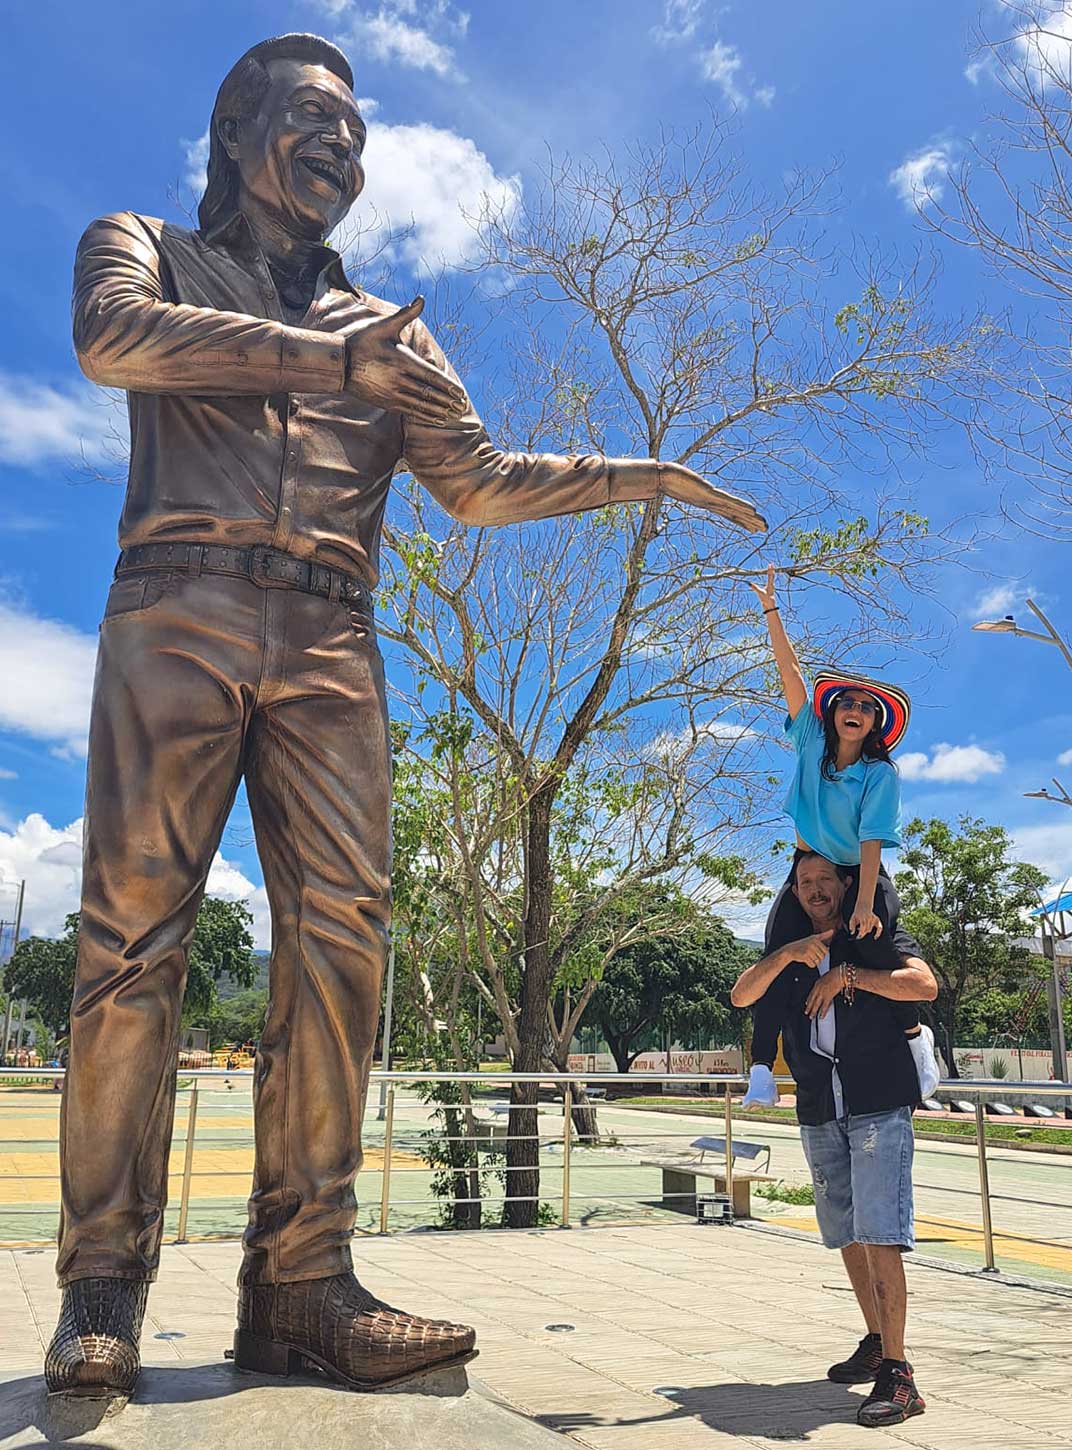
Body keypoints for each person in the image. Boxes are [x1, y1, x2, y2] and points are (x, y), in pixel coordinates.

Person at [47, 32, 767, 1402]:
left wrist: (641, 475)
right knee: (131, 943)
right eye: (314, 118)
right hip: (176, 607)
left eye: (359, 135)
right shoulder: (145, 247)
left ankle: (302, 1284)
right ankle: (101, 1285)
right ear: (235, 128)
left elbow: (478, 480)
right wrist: (331, 361)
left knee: (344, 944)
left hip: (333, 633)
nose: (344, 147)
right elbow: (109, 339)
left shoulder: (398, 335)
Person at [731, 852, 938, 1428]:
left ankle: (899, 1374)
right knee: (846, 1233)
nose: (815, 889)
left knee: (881, 1234)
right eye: (805, 882)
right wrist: (787, 955)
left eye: (825, 879)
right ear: (794, 892)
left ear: (848, 883)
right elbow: (742, 996)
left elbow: (924, 983)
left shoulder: (874, 936)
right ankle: (876, 1339)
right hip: (821, 1108)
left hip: (877, 1103)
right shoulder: (792, 950)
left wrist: (847, 976)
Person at [742, 565, 934, 1108]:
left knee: (877, 947)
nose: (855, 711)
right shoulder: (809, 740)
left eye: (866, 708)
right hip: (810, 864)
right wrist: (771, 610)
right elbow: (790, 674)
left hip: (859, 871)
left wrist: (865, 902)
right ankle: (760, 1068)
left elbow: (872, 839)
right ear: (833, 714)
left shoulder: (879, 774)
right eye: (847, 703)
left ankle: (915, 1039)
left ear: (874, 724)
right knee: (779, 952)